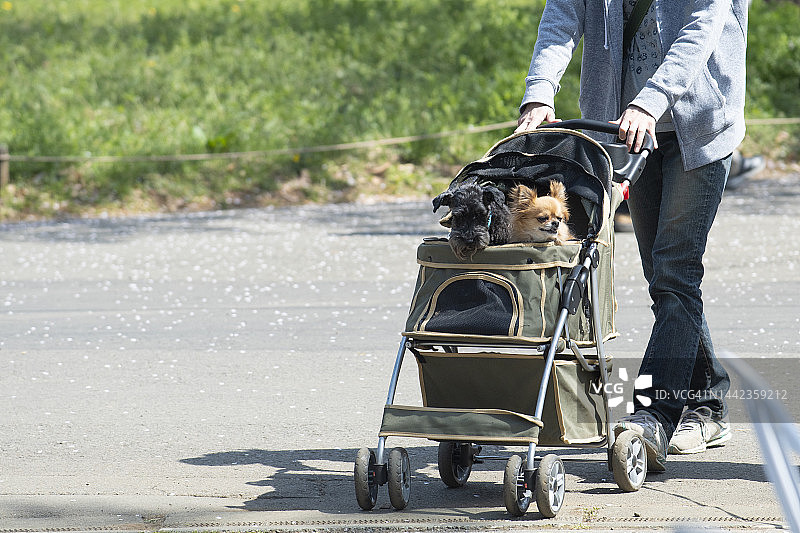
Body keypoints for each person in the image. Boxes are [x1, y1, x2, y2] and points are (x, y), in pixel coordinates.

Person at [515, 0, 748, 470]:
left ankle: (654, 417)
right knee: (663, 278)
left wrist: (650, 99)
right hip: (623, 134)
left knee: (674, 273)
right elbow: (562, 14)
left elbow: (703, 25)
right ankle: (709, 403)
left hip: (697, 126)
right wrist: (540, 92)